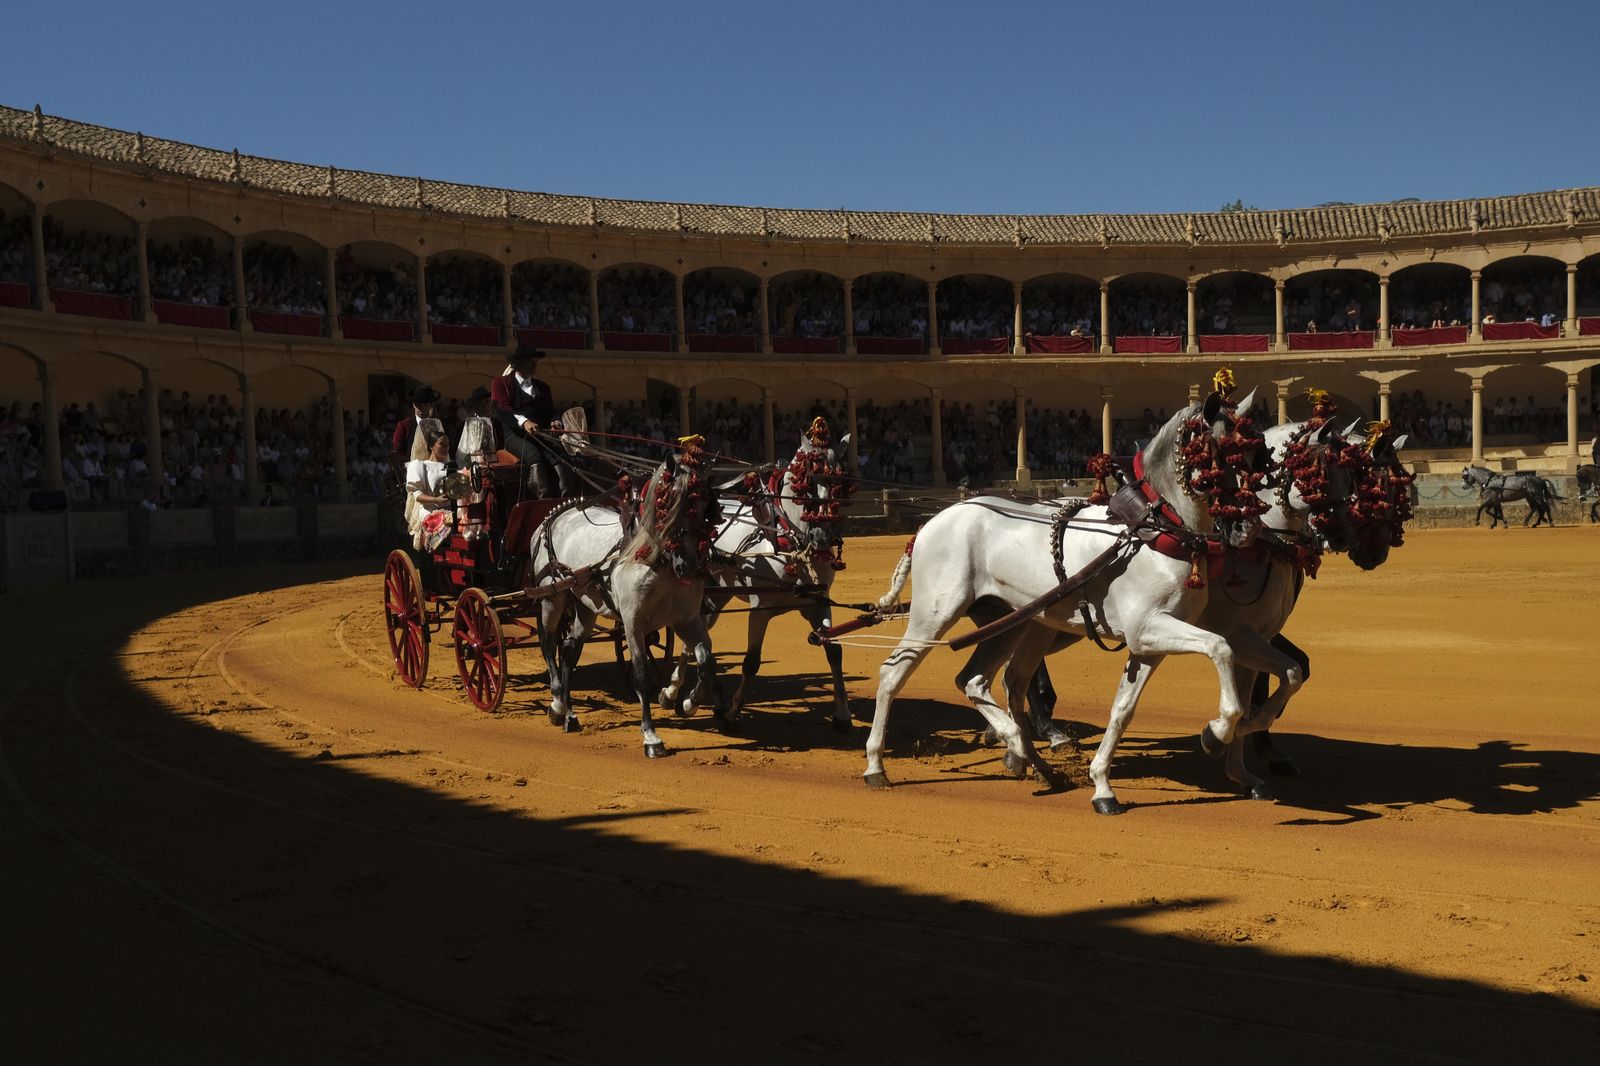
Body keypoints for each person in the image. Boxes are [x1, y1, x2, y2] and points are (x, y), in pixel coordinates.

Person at [489, 344, 574, 496]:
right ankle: (540, 501)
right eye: (531, 361)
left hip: (541, 433)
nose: (535, 364)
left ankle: (564, 501)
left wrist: (556, 422)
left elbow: (551, 411)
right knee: (534, 456)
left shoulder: (543, 387)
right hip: (514, 435)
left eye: (535, 361)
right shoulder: (500, 383)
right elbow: (501, 408)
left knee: (562, 457)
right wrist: (524, 421)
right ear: (518, 364)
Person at [404, 427, 457, 550]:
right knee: (447, 522)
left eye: (447, 445)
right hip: (430, 511)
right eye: (442, 444)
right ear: (432, 446)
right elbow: (417, 495)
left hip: (452, 510)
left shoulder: (452, 466)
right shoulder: (420, 466)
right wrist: (436, 500)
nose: (446, 448)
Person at [391, 385, 441, 460]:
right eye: (418, 404)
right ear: (413, 405)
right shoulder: (404, 426)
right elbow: (397, 452)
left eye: (425, 404)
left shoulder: (436, 425)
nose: (421, 408)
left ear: (430, 405)